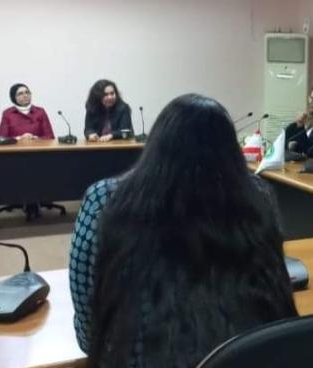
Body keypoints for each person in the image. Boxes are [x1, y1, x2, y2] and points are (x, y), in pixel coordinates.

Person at [69, 94, 298, 368]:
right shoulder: (257, 195)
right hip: (247, 357)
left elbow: (89, 318)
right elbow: (274, 291)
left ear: (156, 144)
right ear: (229, 149)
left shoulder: (105, 198)